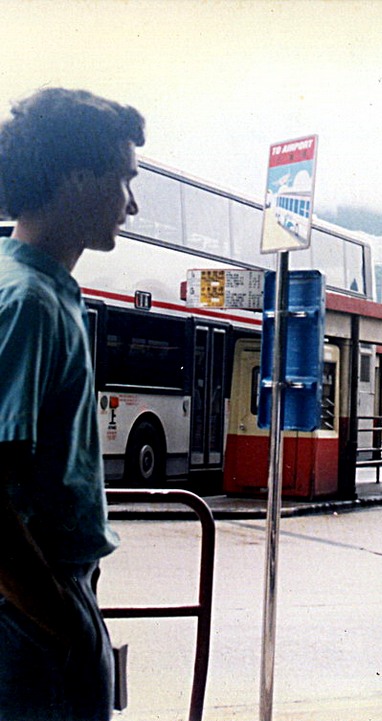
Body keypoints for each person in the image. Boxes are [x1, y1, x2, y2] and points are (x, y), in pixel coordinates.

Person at [0, 88, 144, 720]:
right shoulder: (30, 303)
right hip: (31, 617)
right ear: (77, 178)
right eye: (123, 180)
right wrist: (65, 622)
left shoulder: (38, 289)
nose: (131, 205)